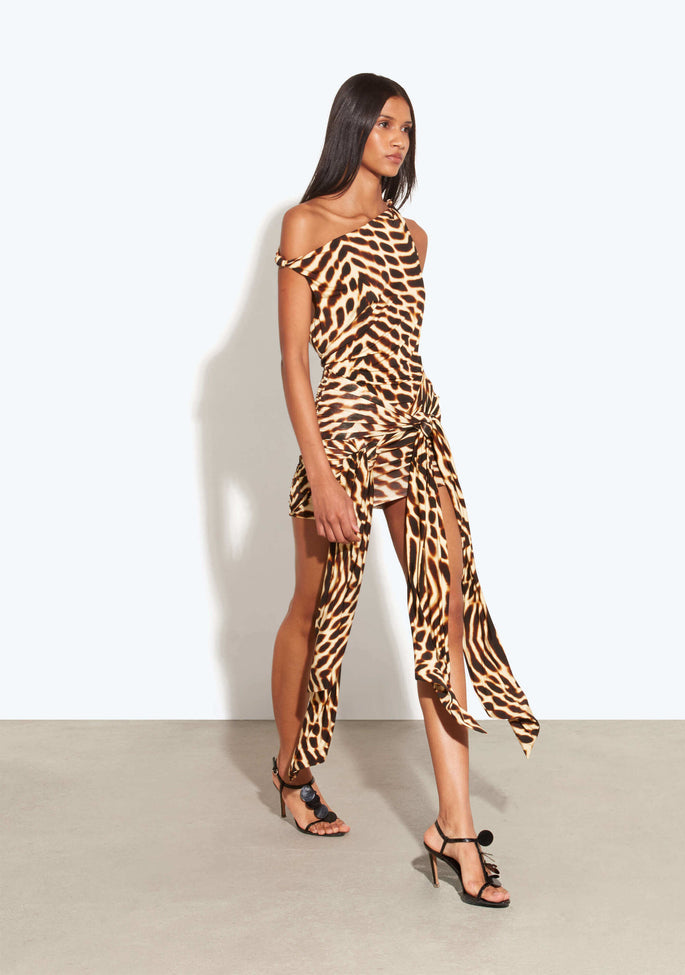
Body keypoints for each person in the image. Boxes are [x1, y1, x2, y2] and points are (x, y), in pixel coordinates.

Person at [270, 73, 540, 908]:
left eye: (408, 129)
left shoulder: (413, 237)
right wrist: (320, 471)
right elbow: (293, 362)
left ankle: (454, 828)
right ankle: (291, 773)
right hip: (341, 443)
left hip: (416, 437)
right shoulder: (305, 223)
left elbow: (402, 351)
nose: (398, 140)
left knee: (445, 610)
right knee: (312, 607)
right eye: (385, 124)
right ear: (352, 127)